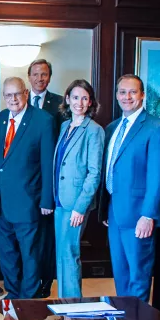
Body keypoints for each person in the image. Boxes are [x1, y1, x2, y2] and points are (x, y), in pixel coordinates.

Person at [0, 77, 56, 299]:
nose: (13, 99)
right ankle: (13, 293)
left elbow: (48, 164)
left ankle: (29, 298)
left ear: (26, 93)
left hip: (29, 201)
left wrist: (47, 200)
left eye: (17, 94)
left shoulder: (43, 120)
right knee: (7, 254)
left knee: (30, 254)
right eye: (8, 95)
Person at [98, 74, 160, 302]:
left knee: (138, 275)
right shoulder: (112, 128)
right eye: (122, 92)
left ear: (142, 95)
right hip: (114, 213)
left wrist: (148, 215)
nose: (127, 97)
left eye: (133, 92)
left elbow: (157, 177)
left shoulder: (156, 127)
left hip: (139, 215)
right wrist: (105, 206)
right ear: (117, 95)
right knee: (121, 274)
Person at [53, 79, 104, 298]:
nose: (79, 103)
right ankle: (66, 304)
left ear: (90, 101)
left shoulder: (94, 130)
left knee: (69, 253)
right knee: (62, 254)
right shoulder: (65, 126)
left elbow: (94, 173)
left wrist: (80, 207)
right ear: (67, 99)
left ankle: (73, 307)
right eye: (75, 97)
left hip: (76, 203)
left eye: (85, 98)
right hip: (60, 200)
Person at [27, 59, 64, 298]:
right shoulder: (18, 101)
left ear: (49, 77)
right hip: (24, 181)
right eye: (36, 74)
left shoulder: (61, 104)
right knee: (27, 234)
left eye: (45, 75)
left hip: (48, 179)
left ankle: (45, 282)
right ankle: (27, 280)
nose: (40, 79)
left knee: (46, 237)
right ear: (28, 76)